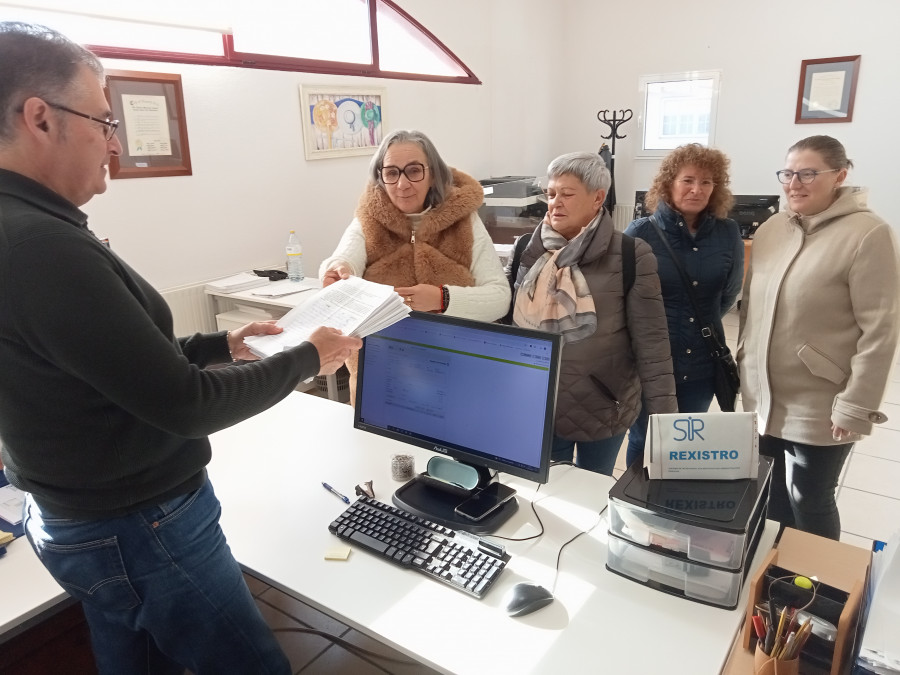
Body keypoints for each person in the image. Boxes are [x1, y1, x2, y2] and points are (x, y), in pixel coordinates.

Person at [0, 23, 362, 674]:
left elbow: (107, 361)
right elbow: (185, 405)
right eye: (104, 120)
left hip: (76, 517)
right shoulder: (38, 245)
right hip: (140, 526)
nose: (114, 143)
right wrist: (312, 356)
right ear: (40, 119)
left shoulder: (25, 228)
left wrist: (218, 341)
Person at [738, 135, 900, 539]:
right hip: (766, 394)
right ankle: (774, 579)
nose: (795, 182)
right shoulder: (773, 227)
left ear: (840, 176)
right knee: (772, 493)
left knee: (809, 496)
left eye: (808, 173)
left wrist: (856, 405)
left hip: (822, 399)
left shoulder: (868, 234)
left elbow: (880, 329)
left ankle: (819, 589)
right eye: (788, 173)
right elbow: (751, 309)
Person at [511, 151, 677, 476]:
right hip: (538, 404)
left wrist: (665, 424)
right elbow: (506, 329)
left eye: (567, 194)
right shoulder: (527, 250)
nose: (555, 202)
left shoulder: (631, 255)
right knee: (546, 496)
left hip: (604, 406)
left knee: (595, 498)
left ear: (597, 198)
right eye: (551, 193)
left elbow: (653, 344)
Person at [319, 129, 510, 394]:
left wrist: (443, 299)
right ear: (381, 177)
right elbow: (344, 258)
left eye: (414, 170)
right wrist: (337, 270)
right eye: (391, 172)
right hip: (380, 372)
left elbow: (500, 297)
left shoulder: (465, 222)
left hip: (452, 370)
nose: (402, 184)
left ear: (432, 174)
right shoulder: (368, 219)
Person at [624, 144, 743, 467]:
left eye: (706, 182)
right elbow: (625, 299)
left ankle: (669, 509)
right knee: (644, 438)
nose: (697, 189)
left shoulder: (728, 233)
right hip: (652, 363)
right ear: (668, 184)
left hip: (703, 363)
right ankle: (635, 507)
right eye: (688, 180)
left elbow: (729, 294)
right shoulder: (640, 232)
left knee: (684, 442)